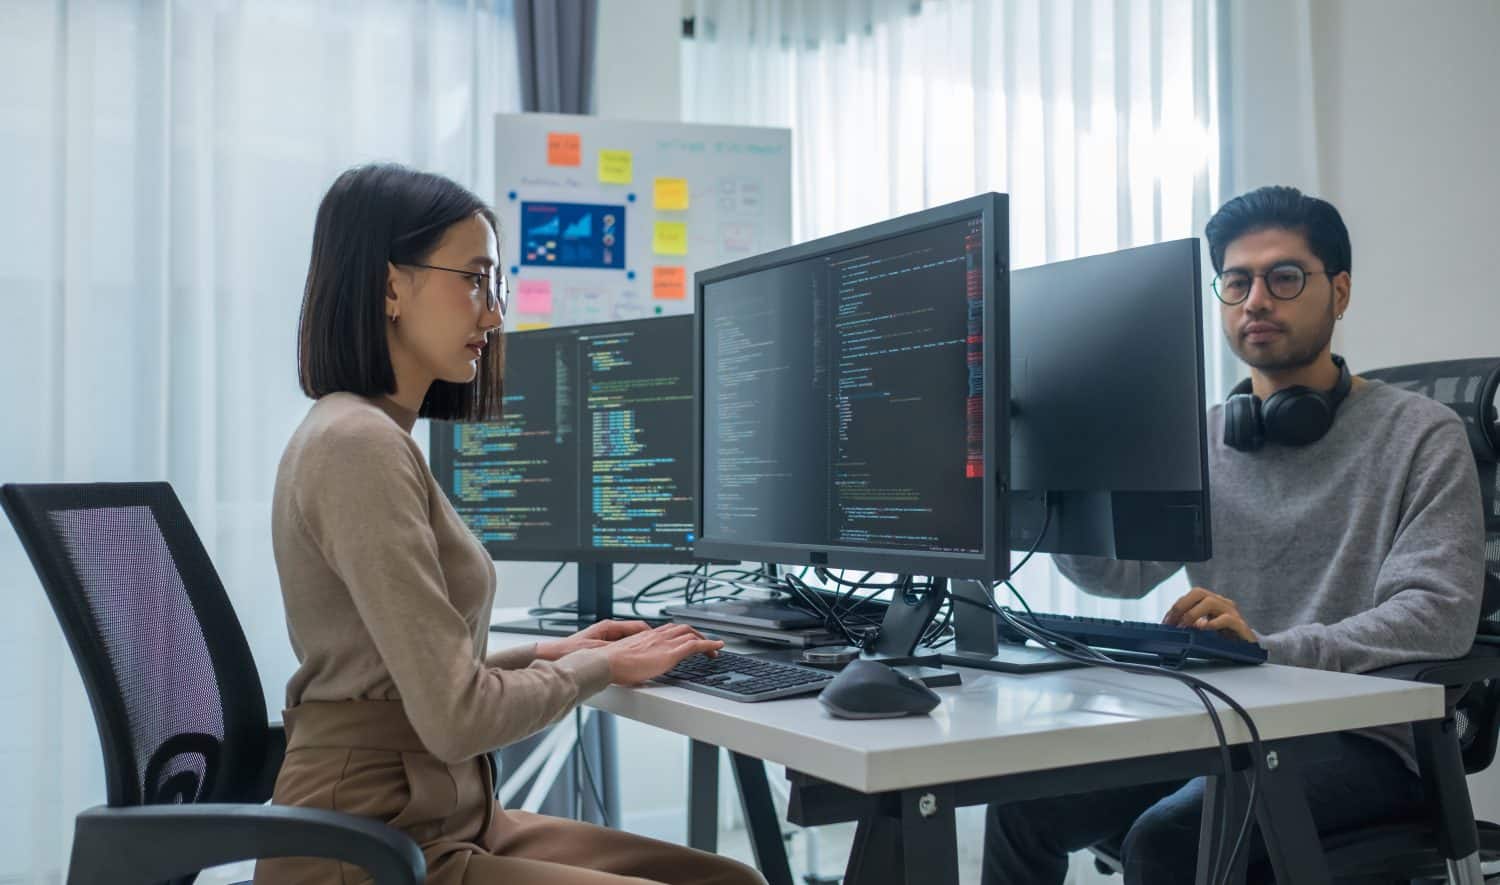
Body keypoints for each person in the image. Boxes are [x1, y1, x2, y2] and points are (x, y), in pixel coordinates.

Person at [255, 164, 764, 885]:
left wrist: (560, 653)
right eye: (474, 280)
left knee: (728, 880)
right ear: (391, 286)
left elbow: (415, 686)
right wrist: (599, 668)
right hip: (370, 843)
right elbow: (455, 715)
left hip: (441, 813)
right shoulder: (357, 446)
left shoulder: (371, 434)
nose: (494, 314)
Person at [982, 186, 1486, 885]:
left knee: (1168, 840)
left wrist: (1266, 650)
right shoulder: (1209, 436)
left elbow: (1438, 617)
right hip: (1224, 718)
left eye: (1284, 277)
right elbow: (1113, 573)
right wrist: (1048, 469)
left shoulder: (1422, 434)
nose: (1256, 299)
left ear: (1339, 293)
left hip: (1366, 738)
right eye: (1237, 281)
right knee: (1020, 800)